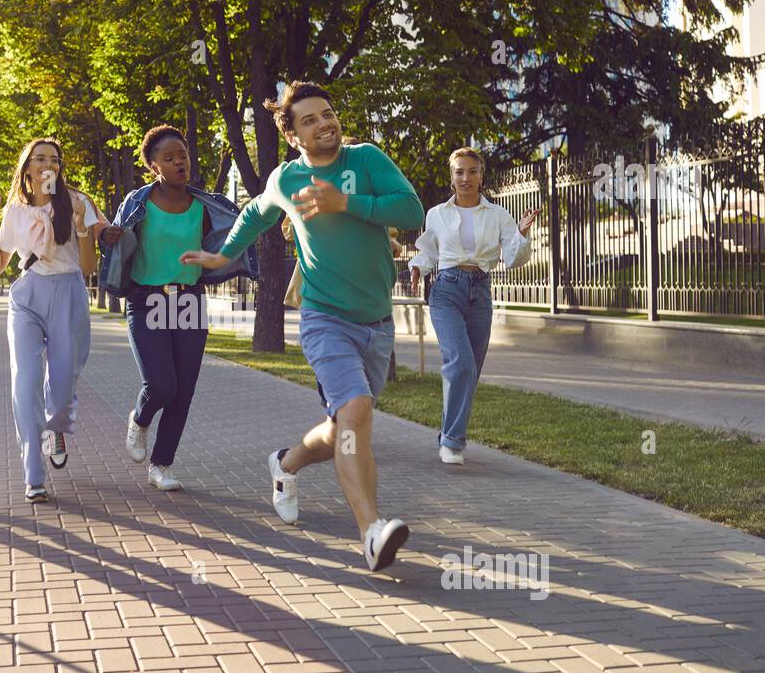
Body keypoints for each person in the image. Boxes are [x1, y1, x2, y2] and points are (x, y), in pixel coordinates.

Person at [181, 81, 424, 572]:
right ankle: (372, 532)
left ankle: (286, 463)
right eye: (310, 120)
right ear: (293, 136)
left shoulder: (367, 160)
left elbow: (411, 210)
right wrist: (223, 254)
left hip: (376, 322)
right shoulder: (286, 179)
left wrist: (346, 203)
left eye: (328, 113)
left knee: (342, 429)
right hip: (323, 317)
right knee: (356, 413)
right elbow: (254, 213)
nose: (324, 123)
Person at [99, 125, 258, 490]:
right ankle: (139, 420)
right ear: (154, 166)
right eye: (168, 158)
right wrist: (109, 237)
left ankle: (162, 464)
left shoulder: (205, 206)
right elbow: (118, 240)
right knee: (161, 384)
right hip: (148, 299)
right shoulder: (138, 202)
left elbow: (229, 241)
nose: (178, 163)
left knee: (183, 390)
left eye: (182, 156)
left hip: (188, 299)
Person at [0, 138, 106, 503]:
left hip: (69, 293)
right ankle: (33, 474)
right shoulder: (15, 209)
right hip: (27, 297)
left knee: (64, 384)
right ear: (27, 168)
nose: (47, 164)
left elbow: (88, 268)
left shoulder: (78, 202)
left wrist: (82, 228)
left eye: (54, 159)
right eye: (40, 158)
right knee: (26, 381)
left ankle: (56, 428)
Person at [410, 146, 538, 464]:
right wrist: (416, 267)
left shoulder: (498, 215)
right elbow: (428, 251)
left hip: (480, 292)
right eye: (459, 172)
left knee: (471, 370)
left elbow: (513, 258)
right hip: (447, 291)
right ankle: (453, 441)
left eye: (471, 171)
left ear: (481, 176)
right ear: (451, 177)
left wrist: (521, 235)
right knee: (461, 363)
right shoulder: (436, 214)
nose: (465, 178)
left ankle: (448, 434)